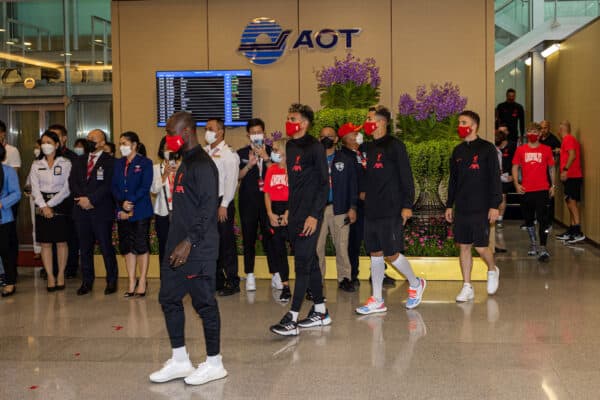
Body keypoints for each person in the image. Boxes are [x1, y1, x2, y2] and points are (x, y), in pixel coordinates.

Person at [149, 111, 227, 386]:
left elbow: (208, 208)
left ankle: (215, 363)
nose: (168, 138)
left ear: (186, 133)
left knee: (205, 304)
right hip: (178, 247)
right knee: (169, 299)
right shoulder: (185, 162)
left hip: (198, 249)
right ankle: (180, 359)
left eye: (171, 133)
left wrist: (189, 241)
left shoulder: (203, 165)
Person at [355, 106, 426, 315]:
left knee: (391, 253)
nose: (367, 122)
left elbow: (406, 176)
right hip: (371, 208)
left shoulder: (395, 146)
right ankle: (377, 299)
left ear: (382, 122)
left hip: (392, 207)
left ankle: (415, 283)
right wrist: (362, 192)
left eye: (369, 119)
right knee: (375, 253)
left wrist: (407, 205)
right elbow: (363, 173)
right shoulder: (365, 148)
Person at [269, 103, 330, 336]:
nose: (288, 121)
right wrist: (288, 212)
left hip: (310, 217)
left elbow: (324, 184)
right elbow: (294, 185)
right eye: (287, 117)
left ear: (304, 123)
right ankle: (321, 311)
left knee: (302, 264)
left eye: (292, 118)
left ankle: (292, 317)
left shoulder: (315, 147)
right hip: (294, 215)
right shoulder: (291, 146)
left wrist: (315, 215)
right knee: (311, 262)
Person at [445, 110, 502, 302]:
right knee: (464, 246)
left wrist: (495, 205)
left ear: (474, 125)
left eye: (464, 122)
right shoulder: (458, 151)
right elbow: (453, 180)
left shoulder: (487, 149)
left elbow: (495, 178)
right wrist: (449, 205)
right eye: (459, 122)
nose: (460, 126)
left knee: (481, 247)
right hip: (462, 207)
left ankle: (492, 269)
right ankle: (467, 286)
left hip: (482, 206)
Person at [69, 129, 118, 296]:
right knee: (85, 248)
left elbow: (108, 186)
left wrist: (91, 200)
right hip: (81, 211)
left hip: (101, 211)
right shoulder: (79, 160)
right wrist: (82, 200)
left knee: (105, 247)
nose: (89, 141)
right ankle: (87, 281)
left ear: (103, 142)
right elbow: (72, 183)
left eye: (93, 139)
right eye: (88, 138)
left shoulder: (110, 162)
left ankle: (111, 280)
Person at [29, 130, 72, 291]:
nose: (45, 145)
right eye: (43, 142)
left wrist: (51, 204)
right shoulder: (36, 164)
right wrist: (43, 206)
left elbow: (67, 188)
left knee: (61, 242)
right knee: (45, 243)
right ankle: (50, 276)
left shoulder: (66, 163)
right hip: (41, 204)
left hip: (59, 203)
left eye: (49, 142)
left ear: (57, 144)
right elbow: (34, 188)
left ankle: (60, 274)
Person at [316, 126, 357, 292]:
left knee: (341, 245)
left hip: (340, 208)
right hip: (318, 210)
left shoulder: (345, 159)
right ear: (319, 139)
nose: (326, 138)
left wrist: (353, 207)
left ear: (336, 139)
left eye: (330, 136)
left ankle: (345, 278)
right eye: (323, 136)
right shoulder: (314, 160)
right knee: (317, 247)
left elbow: (353, 184)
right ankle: (317, 280)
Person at [112, 131, 153, 297]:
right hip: (122, 210)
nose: (122, 147)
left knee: (141, 246)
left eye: (125, 143)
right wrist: (122, 204)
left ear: (134, 145)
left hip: (140, 210)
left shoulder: (145, 163)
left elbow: (145, 186)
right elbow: (113, 186)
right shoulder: (118, 163)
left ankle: (142, 280)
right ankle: (131, 281)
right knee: (127, 247)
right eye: (120, 143)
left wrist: (131, 202)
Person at [204, 118, 240, 296]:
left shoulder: (228, 154)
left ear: (220, 132)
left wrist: (224, 205)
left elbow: (231, 182)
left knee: (226, 243)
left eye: (210, 128)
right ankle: (217, 280)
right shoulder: (203, 152)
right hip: (206, 203)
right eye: (206, 128)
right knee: (210, 243)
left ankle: (232, 281)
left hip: (221, 202)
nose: (207, 131)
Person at [237, 118, 273, 292]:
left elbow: (277, 174)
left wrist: (266, 159)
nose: (256, 135)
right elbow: (237, 176)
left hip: (268, 203)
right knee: (248, 238)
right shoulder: (241, 153)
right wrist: (250, 166)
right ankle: (249, 273)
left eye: (259, 132)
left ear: (264, 134)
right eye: (253, 133)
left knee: (271, 239)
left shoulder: (273, 151)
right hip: (248, 201)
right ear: (248, 135)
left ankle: (276, 274)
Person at [511, 123, 555, 262]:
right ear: (526, 133)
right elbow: (515, 166)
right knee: (528, 220)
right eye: (529, 131)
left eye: (535, 131)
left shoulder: (546, 149)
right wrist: (516, 184)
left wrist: (553, 186)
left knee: (543, 220)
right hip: (526, 190)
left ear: (540, 134)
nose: (532, 133)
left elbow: (551, 168)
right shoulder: (521, 150)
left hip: (542, 189)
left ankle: (543, 247)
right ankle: (533, 244)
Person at [48, 123, 79, 279]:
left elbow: (74, 183)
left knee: (70, 237)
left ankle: (70, 267)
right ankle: (52, 268)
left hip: (69, 203)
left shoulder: (72, 157)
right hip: (51, 204)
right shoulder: (45, 157)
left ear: (64, 138)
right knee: (51, 237)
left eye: (57, 136)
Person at [338, 122, 366, 286]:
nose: (358, 135)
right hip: (353, 205)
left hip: (368, 204)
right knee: (352, 242)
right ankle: (352, 275)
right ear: (346, 138)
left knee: (369, 240)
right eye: (355, 133)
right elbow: (346, 183)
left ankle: (379, 274)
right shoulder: (343, 157)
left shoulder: (361, 153)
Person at [263, 138, 291, 302]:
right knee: (279, 251)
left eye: (275, 149)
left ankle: (308, 286)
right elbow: (267, 193)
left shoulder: (293, 171)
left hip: (291, 210)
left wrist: (288, 213)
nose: (272, 152)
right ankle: (285, 286)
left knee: (301, 250)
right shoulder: (272, 169)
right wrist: (270, 213)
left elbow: (296, 193)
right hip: (274, 211)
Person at [151, 136, 181, 265]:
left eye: (172, 148)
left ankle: (180, 279)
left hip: (181, 213)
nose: (169, 150)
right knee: (164, 246)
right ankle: (165, 280)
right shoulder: (155, 168)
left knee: (180, 247)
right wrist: (165, 175)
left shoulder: (183, 167)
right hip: (163, 213)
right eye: (166, 148)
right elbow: (154, 190)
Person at [555, 120, 585, 244]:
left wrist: (565, 170)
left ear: (562, 129)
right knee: (569, 202)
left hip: (572, 176)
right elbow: (568, 154)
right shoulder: (567, 141)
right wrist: (559, 151)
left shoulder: (568, 139)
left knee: (572, 202)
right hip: (570, 177)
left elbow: (572, 155)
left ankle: (577, 231)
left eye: (559, 127)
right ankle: (572, 229)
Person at [0, 144, 21, 297]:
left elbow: (16, 193)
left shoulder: (8, 171)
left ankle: (10, 282)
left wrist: (1, 203)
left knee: (6, 251)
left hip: (3, 217)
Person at [539, 120, 561, 233]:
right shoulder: (537, 139)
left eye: (545, 128)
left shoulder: (553, 140)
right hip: (537, 171)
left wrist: (557, 152)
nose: (543, 130)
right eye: (541, 128)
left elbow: (561, 151)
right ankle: (538, 219)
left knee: (549, 197)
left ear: (549, 128)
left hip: (548, 171)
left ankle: (549, 221)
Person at [494, 124, 516, 231]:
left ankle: (499, 219)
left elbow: (516, 163)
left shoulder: (512, 146)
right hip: (495, 176)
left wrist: (513, 175)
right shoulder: (494, 146)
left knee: (502, 196)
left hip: (506, 177)